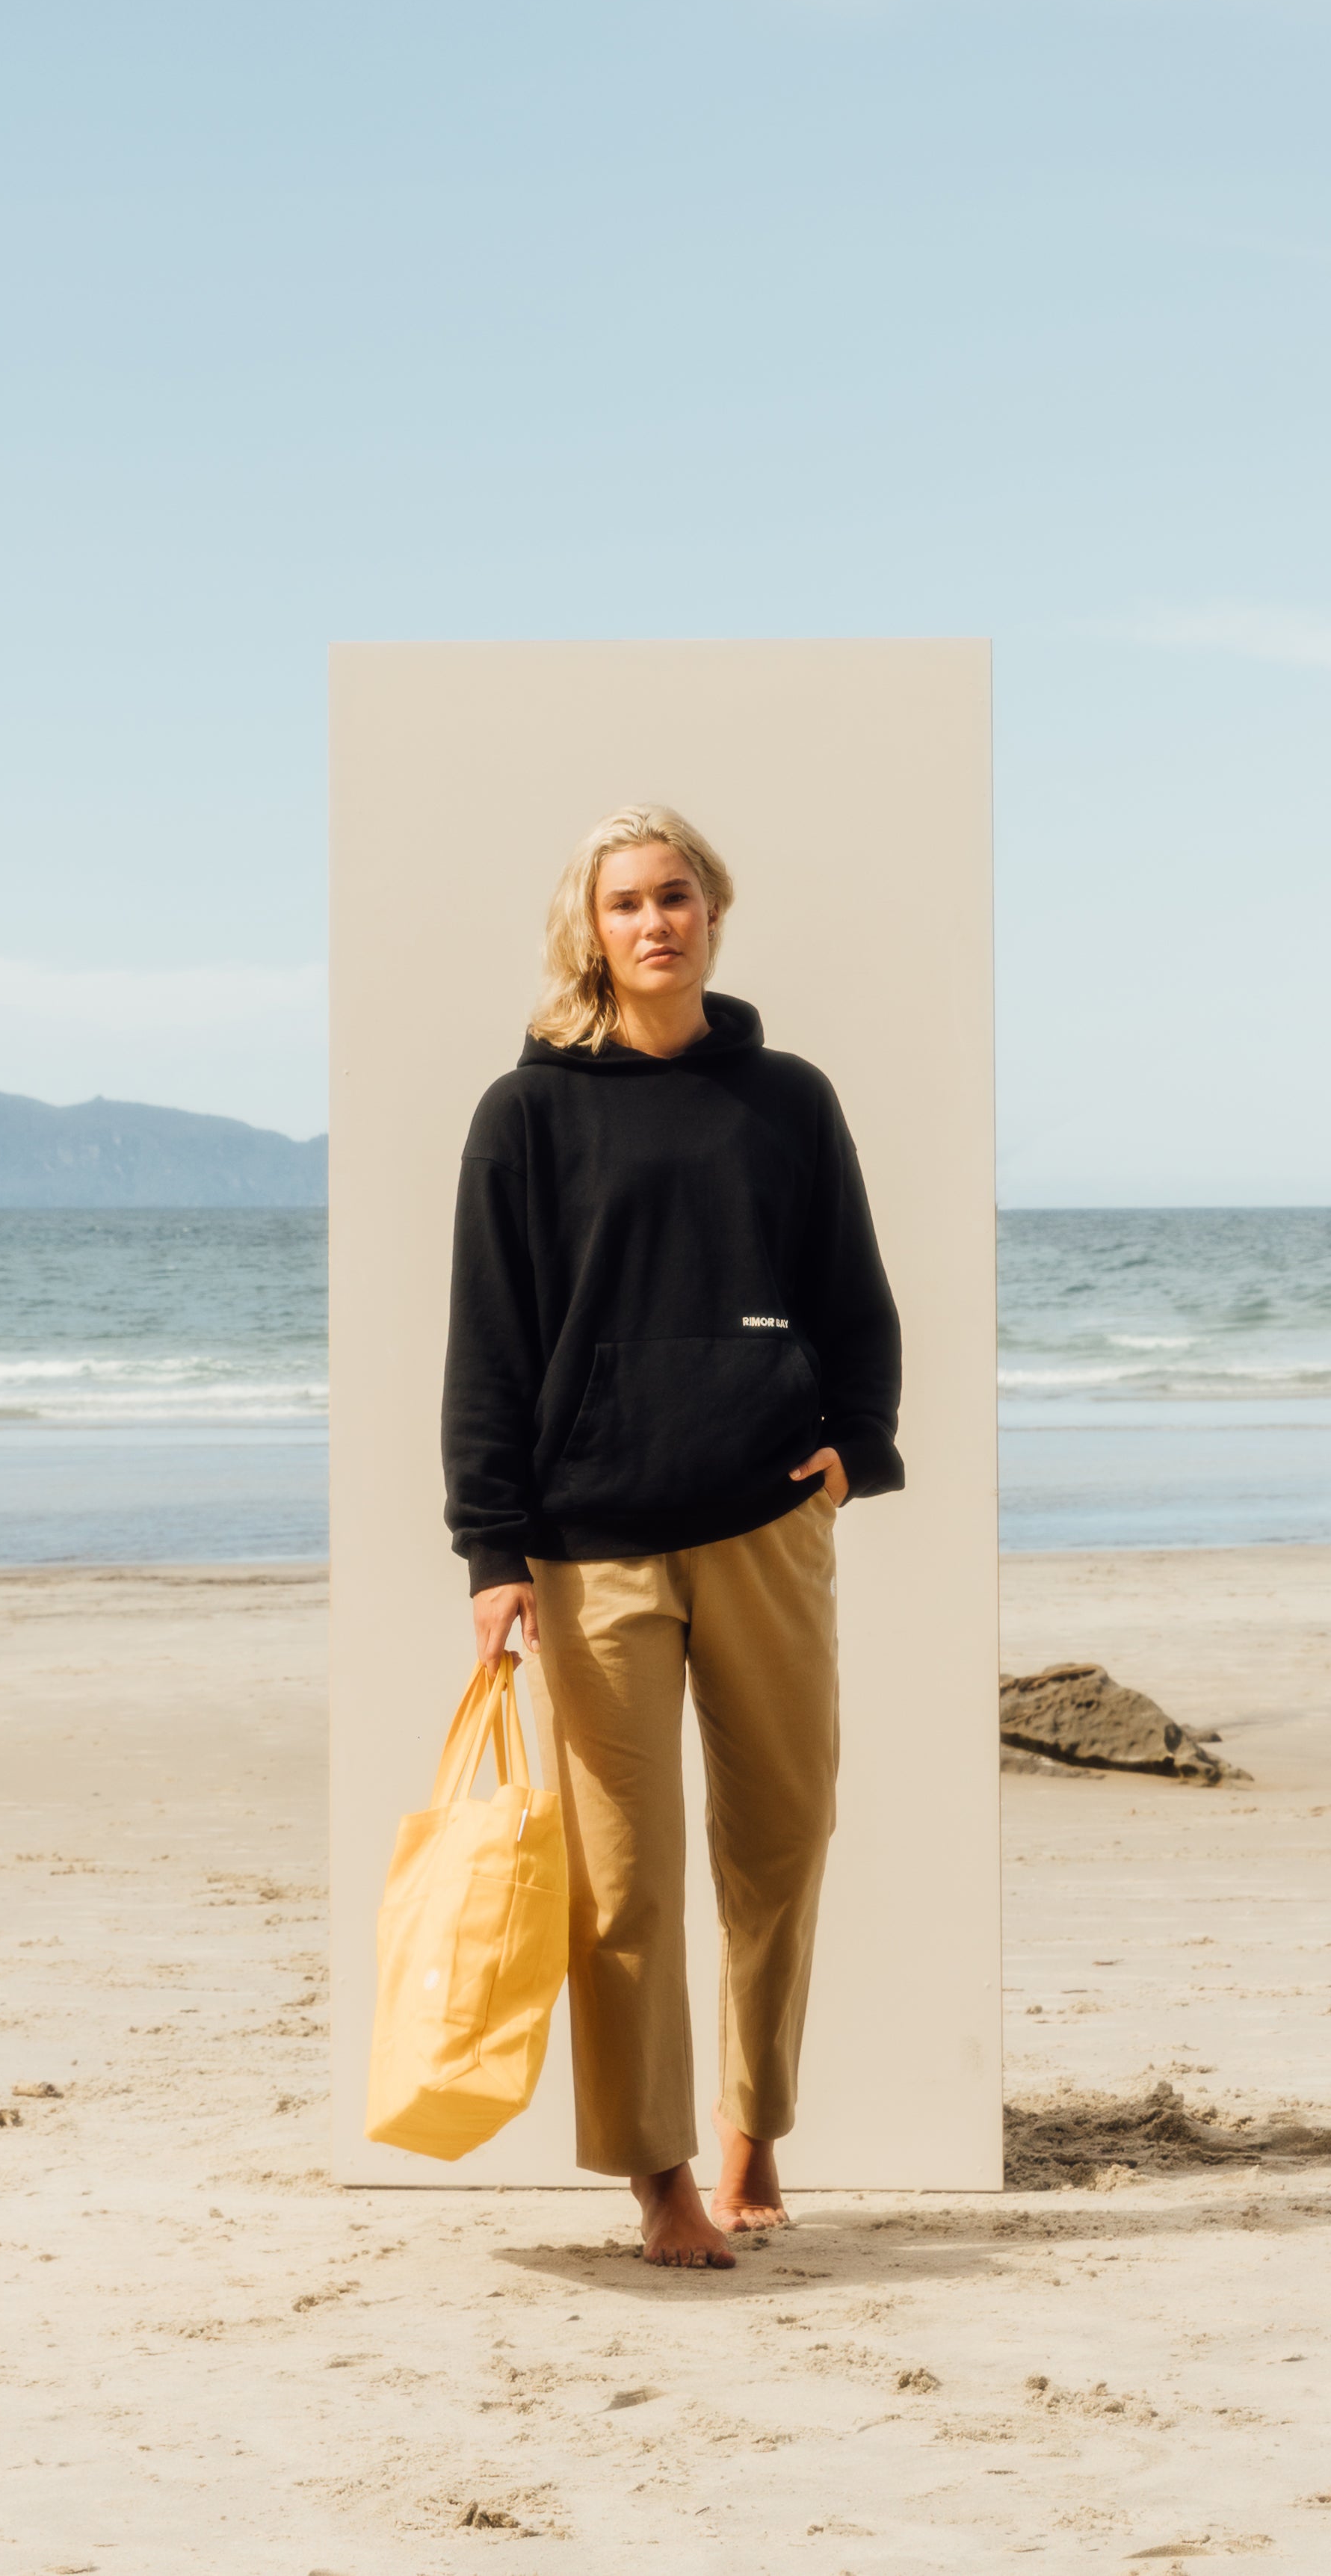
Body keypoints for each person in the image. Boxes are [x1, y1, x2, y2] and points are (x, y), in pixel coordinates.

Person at [441, 806, 903, 2267]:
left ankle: (755, 2118)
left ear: (713, 910)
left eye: (676, 894)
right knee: (624, 1877)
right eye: (627, 902)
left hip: (765, 1522)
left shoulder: (786, 1098)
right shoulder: (525, 1113)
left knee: (783, 1836)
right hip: (592, 1546)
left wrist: (855, 1442)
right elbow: (489, 1341)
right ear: (589, 931)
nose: (655, 921)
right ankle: (659, 2177)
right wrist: (491, 1547)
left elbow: (853, 1292)